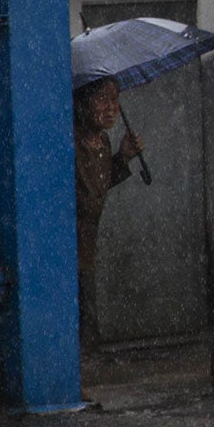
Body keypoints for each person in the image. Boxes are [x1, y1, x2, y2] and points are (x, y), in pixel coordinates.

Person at [72, 75, 141, 350]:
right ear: (82, 104)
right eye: (103, 99)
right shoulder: (71, 142)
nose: (111, 107)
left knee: (88, 322)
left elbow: (97, 187)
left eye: (115, 99)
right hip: (68, 245)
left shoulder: (102, 143)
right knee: (77, 319)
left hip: (87, 246)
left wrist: (123, 157)